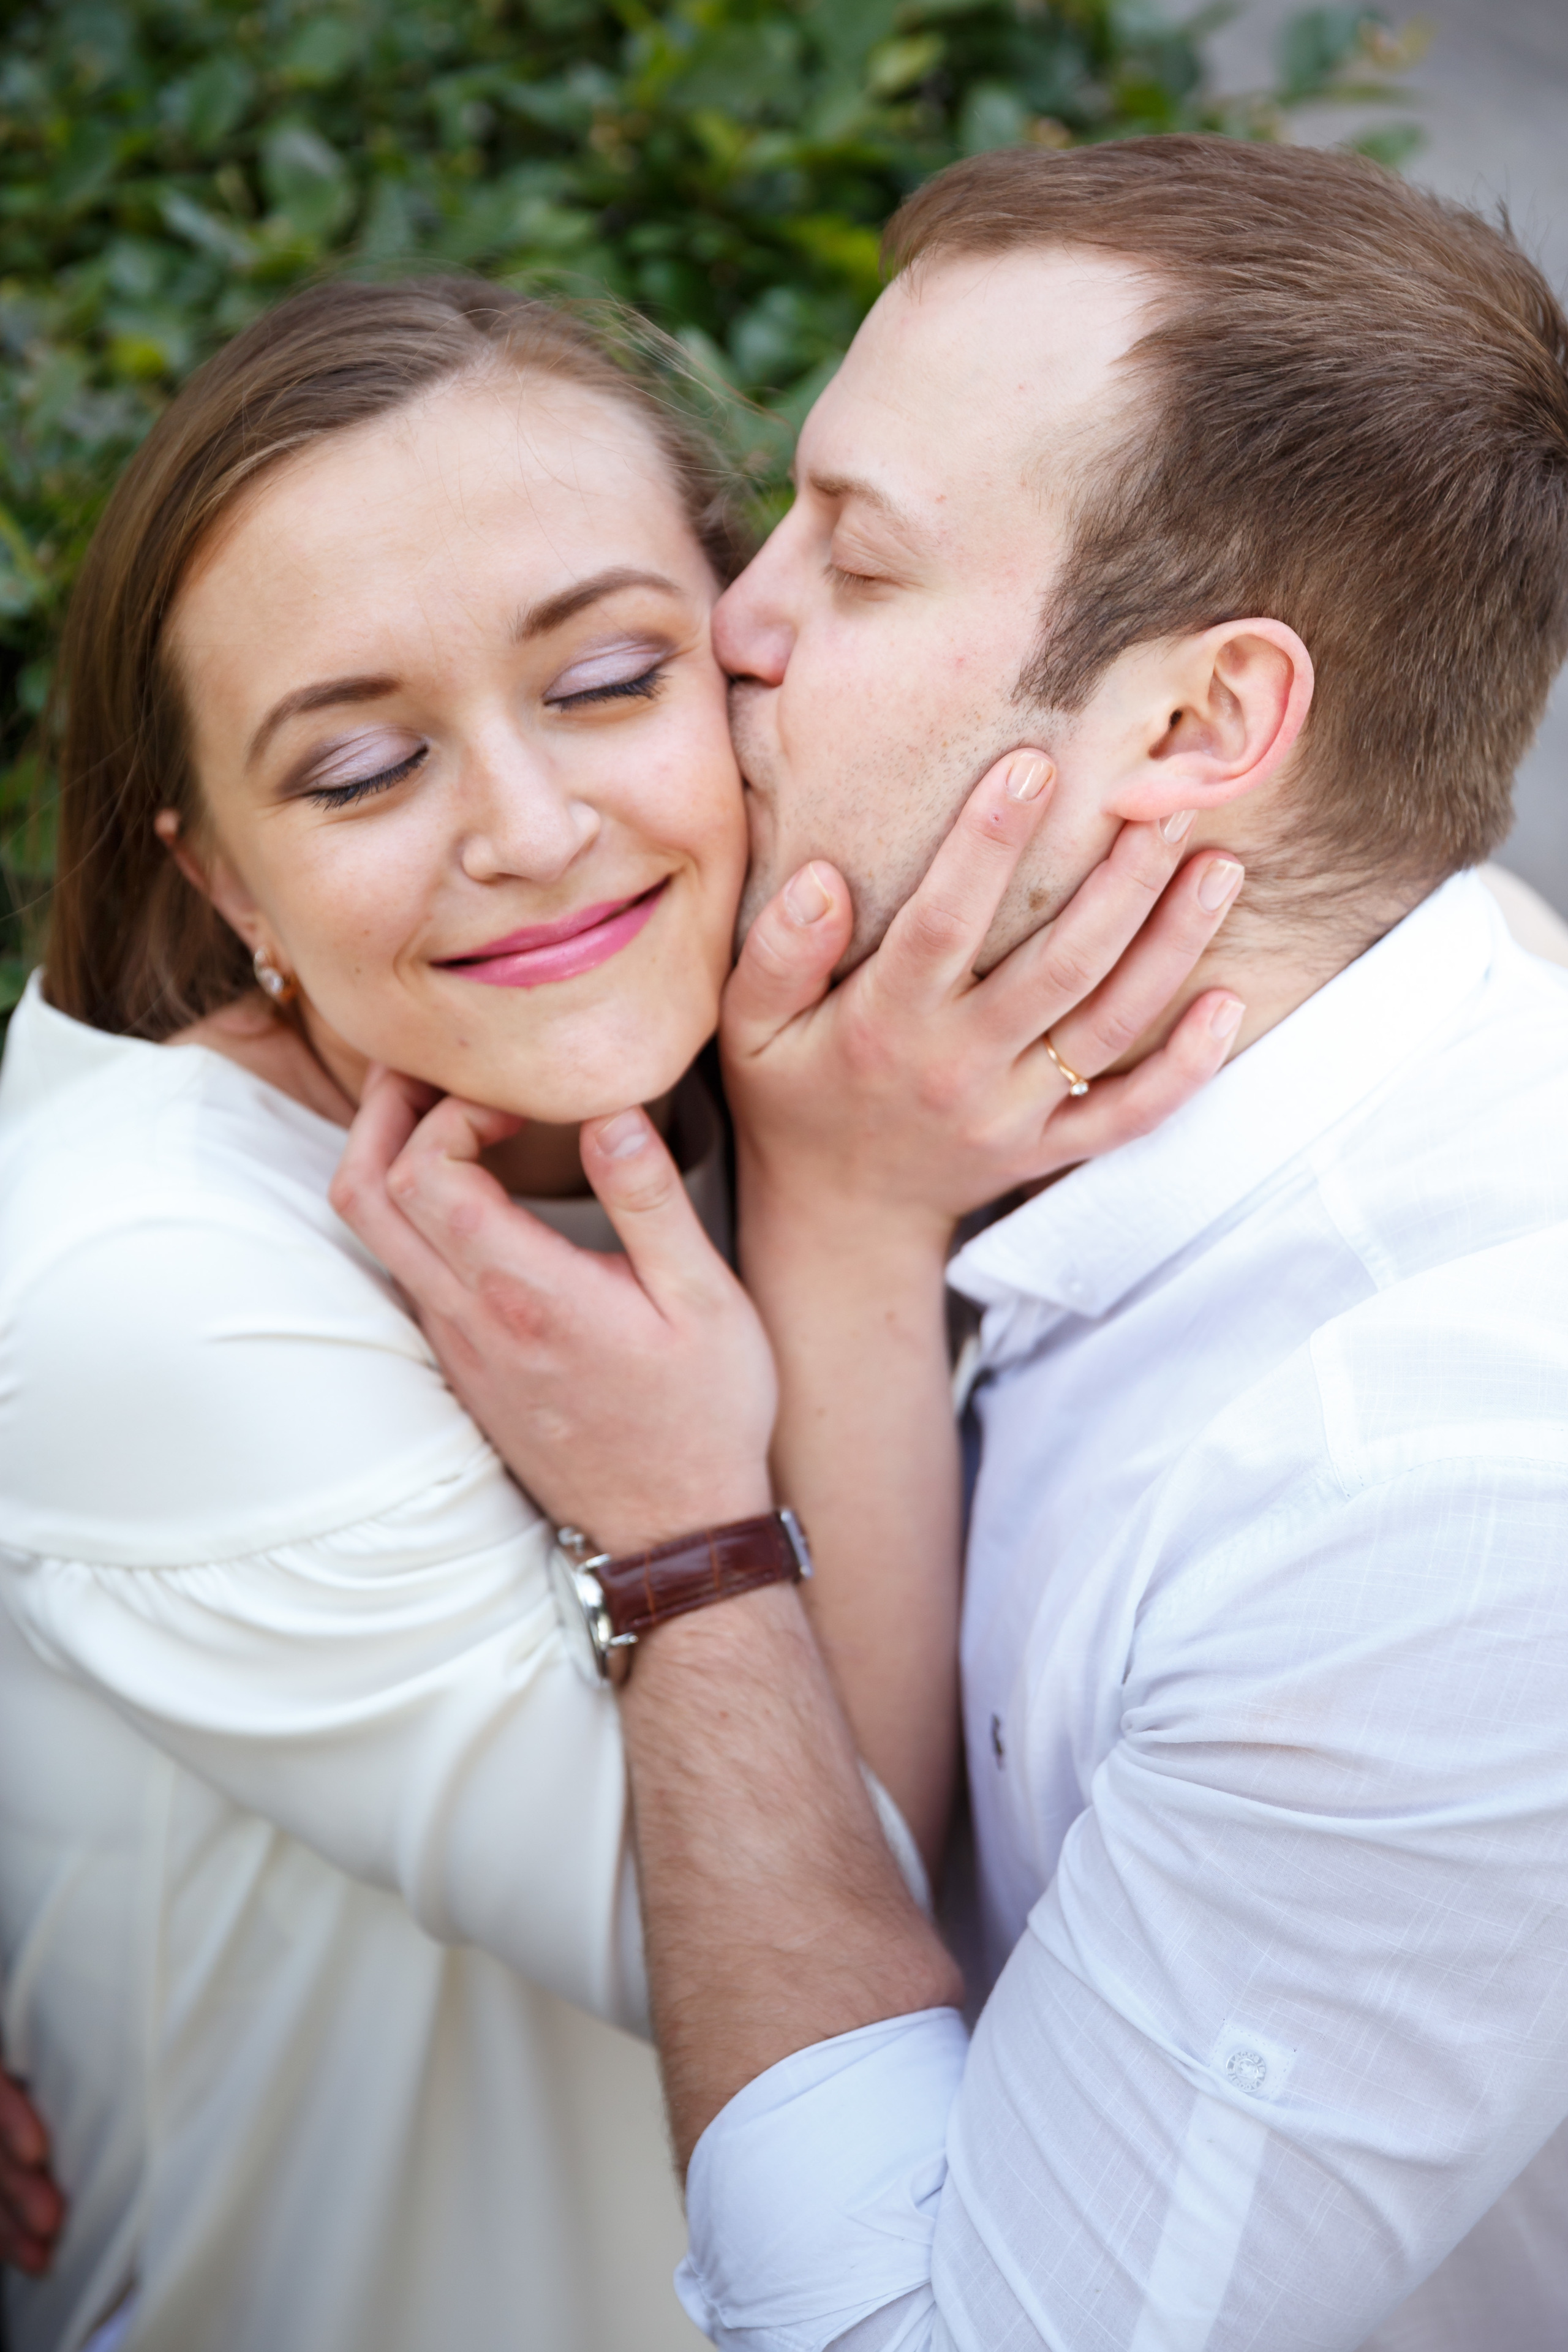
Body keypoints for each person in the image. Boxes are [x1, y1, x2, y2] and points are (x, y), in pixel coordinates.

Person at [332, 138, 1568, 2351]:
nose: (737, 623)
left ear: (1197, 727)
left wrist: (689, 1546)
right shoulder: (994, 1029)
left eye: (860, 561)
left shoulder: (1441, 1502)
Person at [0, 271, 1234, 2352]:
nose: (533, 830)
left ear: (753, 653)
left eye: (603, 681)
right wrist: (826, 1249)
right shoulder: (153, 1288)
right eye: (365, 765)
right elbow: (810, 1944)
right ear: (219, 882)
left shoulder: (833, 1018)